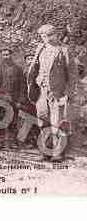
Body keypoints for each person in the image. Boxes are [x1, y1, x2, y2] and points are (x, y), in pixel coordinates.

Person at [27, 24, 76, 161]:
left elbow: (72, 75)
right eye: (43, 36)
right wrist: (33, 84)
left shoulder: (64, 50)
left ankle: (58, 153)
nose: (46, 38)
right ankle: (46, 151)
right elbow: (34, 68)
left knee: (57, 122)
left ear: (55, 35)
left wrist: (68, 93)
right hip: (41, 91)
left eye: (49, 35)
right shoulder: (40, 48)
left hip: (58, 92)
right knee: (43, 120)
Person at [0, 47, 25, 150]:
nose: (6, 56)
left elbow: (22, 86)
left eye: (7, 54)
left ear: (11, 55)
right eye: (4, 54)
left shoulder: (17, 69)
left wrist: (20, 100)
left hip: (13, 98)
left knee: (13, 120)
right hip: (0, 97)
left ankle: (12, 142)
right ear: (1, 55)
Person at [21, 50, 40, 148]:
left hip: (37, 98)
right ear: (25, 61)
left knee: (37, 119)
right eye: (28, 59)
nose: (30, 60)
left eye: (32, 58)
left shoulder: (38, 70)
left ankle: (36, 141)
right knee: (27, 119)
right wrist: (22, 98)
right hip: (26, 98)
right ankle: (27, 140)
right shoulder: (24, 71)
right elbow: (21, 86)